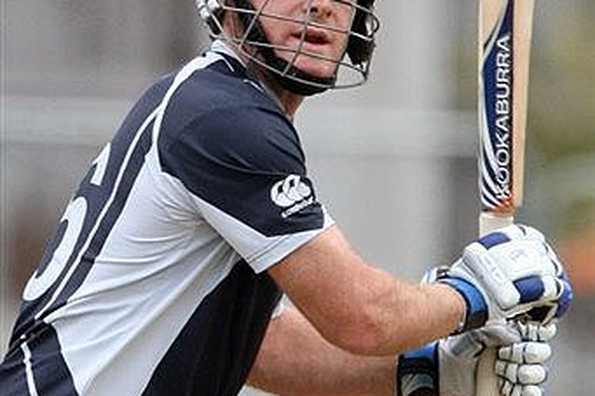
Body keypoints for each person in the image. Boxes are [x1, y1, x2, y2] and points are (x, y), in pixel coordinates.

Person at [0, 0, 573, 395]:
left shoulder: (217, 102)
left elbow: (261, 345)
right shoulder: (226, 118)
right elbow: (363, 317)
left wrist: (424, 367)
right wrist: (481, 291)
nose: (322, 5)